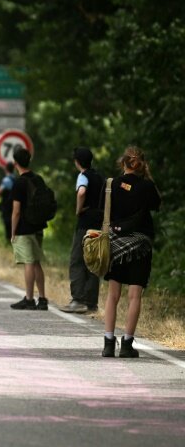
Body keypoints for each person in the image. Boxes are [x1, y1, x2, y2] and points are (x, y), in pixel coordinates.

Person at [102, 146, 160, 358]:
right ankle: (127, 345)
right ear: (141, 164)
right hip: (140, 246)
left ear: (122, 163)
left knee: (113, 294)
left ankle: (108, 343)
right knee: (135, 295)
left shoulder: (111, 184)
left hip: (116, 245)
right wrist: (148, 177)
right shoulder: (147, 186)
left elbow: (104, 212)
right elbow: (156, 204)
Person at [60, 147, 104, 314]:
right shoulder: (100, 177)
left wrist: (78, 209)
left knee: (77, 260)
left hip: (85, 223)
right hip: (99, 223)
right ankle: (91, 303)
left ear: (77, 162)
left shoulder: (82, 176)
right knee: (93, 262)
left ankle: (78, 300)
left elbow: (82, 192)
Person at [9, 147, 49, 310]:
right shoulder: (38, 179)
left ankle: (29, 298)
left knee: (28, 262)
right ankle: (43, 298)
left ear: (15, 163)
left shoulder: (19, 183)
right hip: (38, 226)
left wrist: (13, 232)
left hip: (24, 228)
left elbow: (16, 211)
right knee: (36, 261)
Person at [0, 162, 16, 242]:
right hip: (15, 204)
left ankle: (9, 239)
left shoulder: (7, 180)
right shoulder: (16, 179)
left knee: (7, 222)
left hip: (7, 205)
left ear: (6, 169)